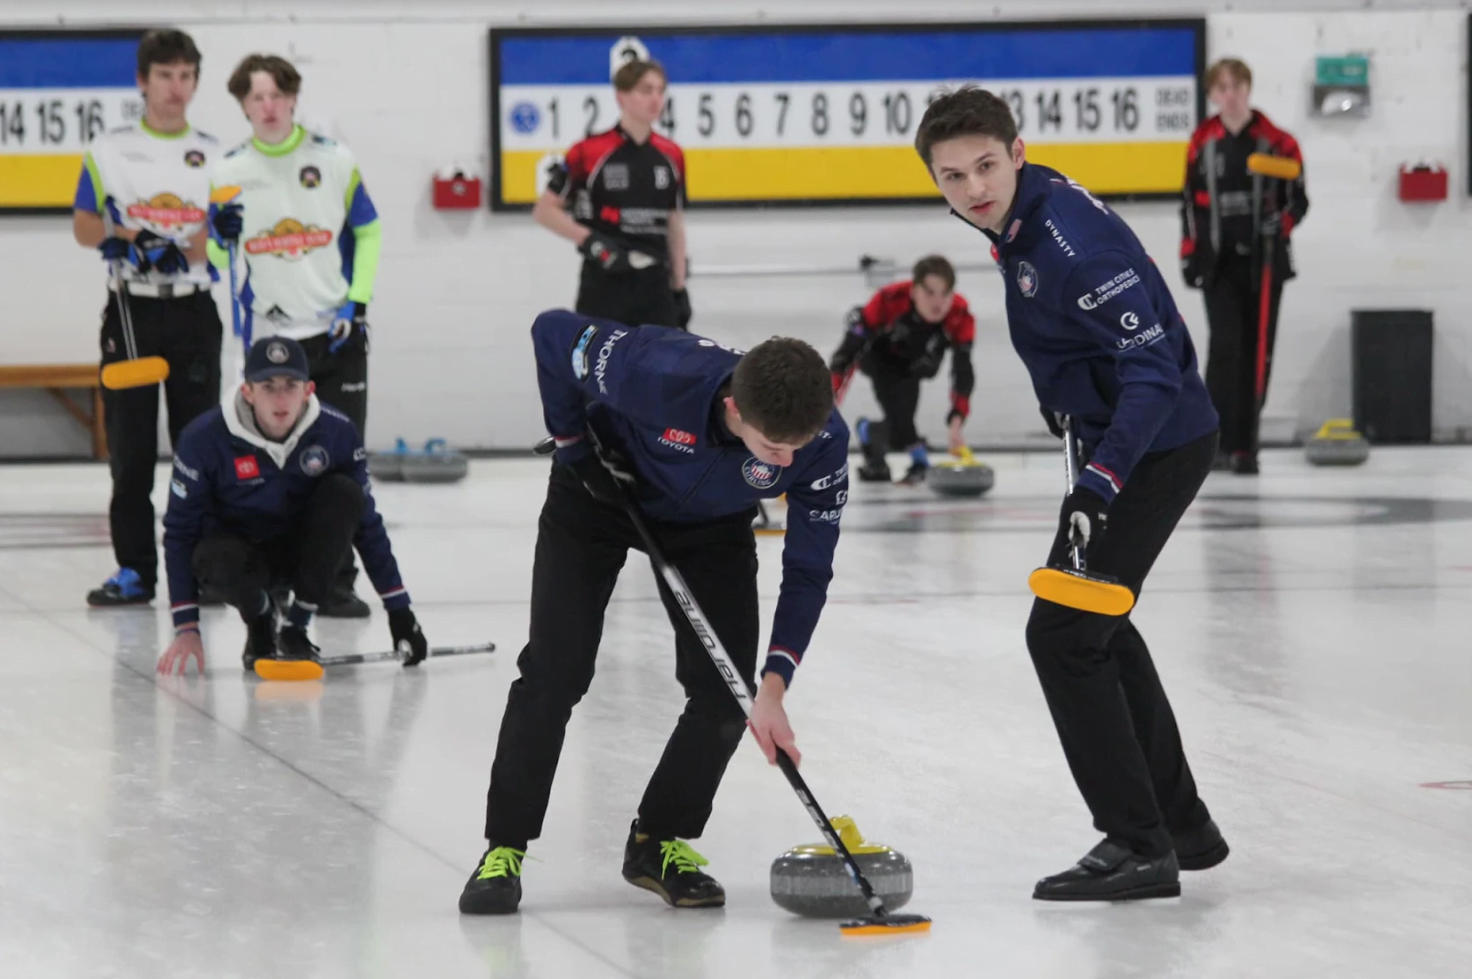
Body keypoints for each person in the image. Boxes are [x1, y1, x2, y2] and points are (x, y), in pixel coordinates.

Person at [915, 87, 1228, 901]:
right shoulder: (1020, 216)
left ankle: (1137, 842)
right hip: (1119, 438)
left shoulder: (1069, 247)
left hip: (1153, 447)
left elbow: (1154, 373)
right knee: (1098, 625)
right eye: (953, 176)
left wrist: (1101, 480)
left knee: (1062, 634)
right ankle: (1180, 825)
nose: (973, 189)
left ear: (1018, 153)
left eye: (987, 165)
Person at [458, 311, 848, 916]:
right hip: (598, 498)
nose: (790, 463)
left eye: (798, 448)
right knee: (555, 674)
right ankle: (503, 847)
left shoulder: (820, 442)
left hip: (709, 527)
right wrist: (572, 447)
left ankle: (657, 840)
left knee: (727, 693)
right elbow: (552, 333)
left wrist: (774, 687)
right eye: (776, 449)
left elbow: (808, 570)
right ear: (737, 411)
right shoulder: (656, 370)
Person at [207, 53, 384, 616]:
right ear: (242, 105)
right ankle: (275, 575)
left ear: (293, 98)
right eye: (256, 98)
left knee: (339, 462)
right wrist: (218, 233)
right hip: (270, 341)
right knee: (271, 462)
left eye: (277, 96)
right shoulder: (227, 170)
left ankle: (335, 579)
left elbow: (370, 231)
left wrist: (356, 303)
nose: (268, 107)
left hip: (332, 333)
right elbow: (217, 258)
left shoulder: (332, 160)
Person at [155, 336, 428, 676]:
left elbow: (367, 525)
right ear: (248, 392)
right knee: (211, 557)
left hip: (304, 555)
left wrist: (400, 609)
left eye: (290, 385)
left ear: (309, 390)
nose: (280, 398)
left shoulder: (337, 432)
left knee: (346, 494)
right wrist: (186, 628)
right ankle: (260, 620)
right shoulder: (203, 438)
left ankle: (296, 626)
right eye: (268, 386)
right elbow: (180, 532)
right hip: (239, 556)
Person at [73, 29, 223, 607]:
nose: (176, 87)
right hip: (131, 309)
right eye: (165, 75)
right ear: (143, 80)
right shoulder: (109, 149)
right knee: (131, 450)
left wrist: (185, 246)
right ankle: (135, 569)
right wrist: (130, 234)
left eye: (186, 76)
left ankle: (205, 568)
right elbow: (85, 225)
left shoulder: (214, 151)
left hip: (192, 306)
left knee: (199, 445)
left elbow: (221, 229)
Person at [1181, 58, 1308, 475]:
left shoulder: (1277, 141)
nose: (1230, 94)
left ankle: (1244, 445)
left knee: (1258, 353)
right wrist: (1189, 252)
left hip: (1266, 265)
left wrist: (1282, 222)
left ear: (1248, 89)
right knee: (1224, 348)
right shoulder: (1202, 142)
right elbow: (1189, 203)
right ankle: (1213, 441)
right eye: (1222, 88)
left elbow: (1299, 198)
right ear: (1212, 94)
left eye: (1237, 86)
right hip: (1219, 265)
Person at [533, 59, 690, 330]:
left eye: (660, 91)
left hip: (654, 284)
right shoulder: (589, 151)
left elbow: (674, 220)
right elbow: (545, 210)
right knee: (600, 367)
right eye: (645, 90)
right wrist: (592, 241)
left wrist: (679, 285)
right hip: (605, 280)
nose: (655, 99)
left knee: (660, 368)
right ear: (622, 96)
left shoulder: (671, 154)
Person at [829, 255, 976, 484]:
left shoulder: (960, 314)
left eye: (945, 294)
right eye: (929, 293)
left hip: (914, 366)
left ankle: (872, 441)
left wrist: (957, 422)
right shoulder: (889, 299)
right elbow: (846, 355)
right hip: (878, 357)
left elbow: (963, 371)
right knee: (902, 420)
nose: (938, 303)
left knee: (899, 430)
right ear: (914, 290)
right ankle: (919, 459)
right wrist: (828, 405)